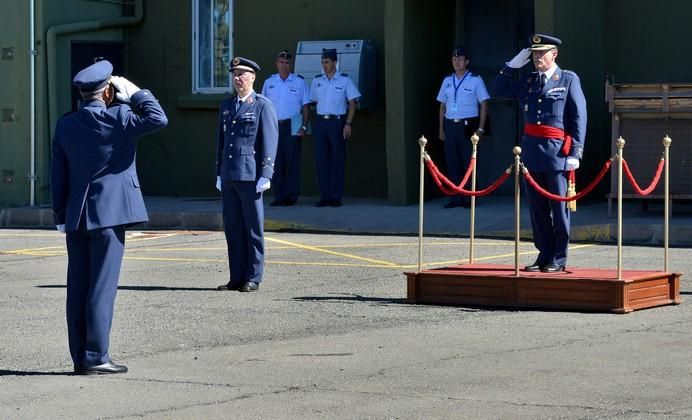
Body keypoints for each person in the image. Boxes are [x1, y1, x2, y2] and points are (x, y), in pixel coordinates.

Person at [51, 59, 168, 374]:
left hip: (76, 217)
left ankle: (80, 357)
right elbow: (159, 118)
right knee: (101, 287)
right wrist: (137, 93)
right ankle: (96, 357)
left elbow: (58, 173)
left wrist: (60, 214)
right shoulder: (119, 117)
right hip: (109, 217)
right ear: (107, 94)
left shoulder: (66, 123)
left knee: (78, 288)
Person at [494, 34, 587, 272]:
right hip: (531, 153)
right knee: (537, 211)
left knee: (559, 209)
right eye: (534, 53)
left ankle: (558, 257)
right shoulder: (528, 81)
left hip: (557, 154)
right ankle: (544, 254)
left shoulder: (567, 79)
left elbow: (578, 117)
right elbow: (497, 90)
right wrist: (512, 65)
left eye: (541, 53)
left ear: (553, 54)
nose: (536, 57)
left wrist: (575, 152)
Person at [215, 57, 278, 292]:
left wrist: (266, 173)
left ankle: (253, 276)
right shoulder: (227, 105)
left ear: (252, 77)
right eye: (235, 74)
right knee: (232, 227)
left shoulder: (262, 105)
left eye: (242, 74)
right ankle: (237, 276)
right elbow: (221, 142)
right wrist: (219, 172)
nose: (237, 78)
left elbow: (269, 140)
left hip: (251, 176)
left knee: (253, 228)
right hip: (230, 174)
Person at [437, 47, 490, 209]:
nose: (457, 62)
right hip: (450, 124)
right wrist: (441, 129)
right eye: (454, 59)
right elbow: (442, 106)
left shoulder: (475, 80)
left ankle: (470, 197)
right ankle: (456, 197)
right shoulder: (447, 80)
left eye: (460, 59)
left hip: (468, 124)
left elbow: (484, 104)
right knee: (452, 162)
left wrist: (481, 128)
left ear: (466, 62)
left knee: (469, 161)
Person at [309, 48, 361, 207]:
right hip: (320, 122)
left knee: (337, 159)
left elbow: (353, 103)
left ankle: (336, 197)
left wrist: (348, 123)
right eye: (323, 62)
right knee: (321, 160)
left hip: (337, 122)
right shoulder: (317, 80)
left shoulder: (344, 80)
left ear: (334, 62)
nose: (324, 65)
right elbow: (312, 102)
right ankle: (325, 196)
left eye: (327, 62)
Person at [261, 49, 310, 206]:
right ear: (277, 64)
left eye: (287, 62)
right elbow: (263, 106)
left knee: (292, 162)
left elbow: (306, 107)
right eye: (281, 62)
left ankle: (291, 196)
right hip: (274, 126)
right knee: (276, 162)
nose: (284, 65)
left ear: (291, 64)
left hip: (293, 124)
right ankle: (279, 196)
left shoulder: (299, 82)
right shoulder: (269, 83)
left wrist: (304, 126)